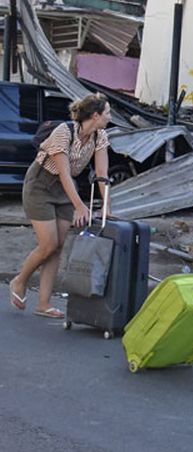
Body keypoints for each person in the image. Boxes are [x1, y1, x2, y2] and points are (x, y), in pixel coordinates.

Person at [9, 93, 111, 319]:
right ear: (95, 115)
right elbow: (63, 172)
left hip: (65, 189)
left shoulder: (99, 136)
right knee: (48, 244)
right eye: (107, 113)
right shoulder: (64, 132)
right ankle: (20, 280)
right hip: (41, 185)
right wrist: (80, 206)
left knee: (59, 246)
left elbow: (102, 174)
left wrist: (106, 206)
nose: (110, 117)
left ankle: (43, 303)